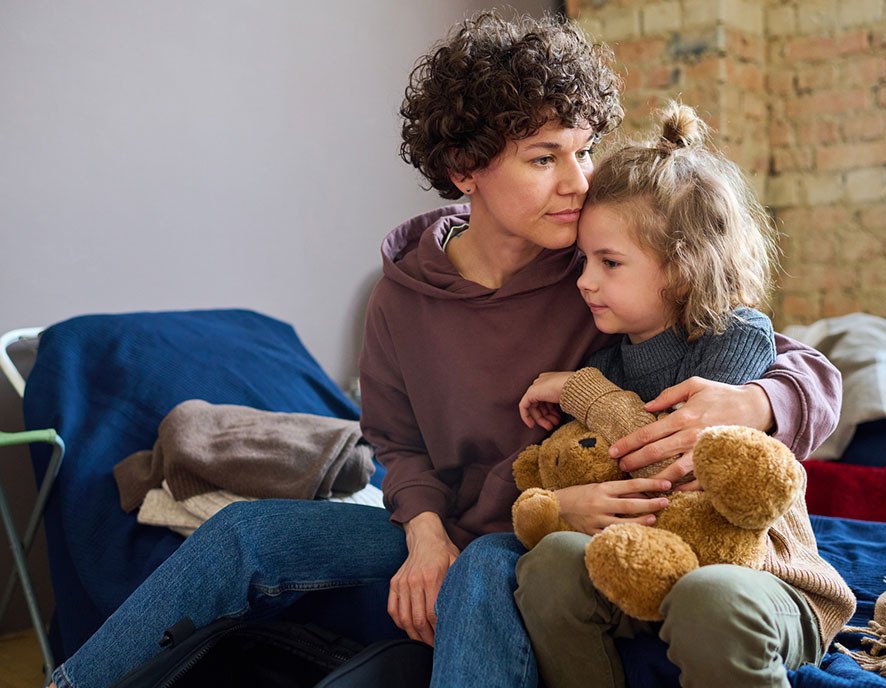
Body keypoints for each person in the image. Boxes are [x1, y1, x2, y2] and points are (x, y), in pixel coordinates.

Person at [48, 12, 843, 688]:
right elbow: (394, 442)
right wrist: (423, 532)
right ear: (466, 171)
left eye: (585, 149)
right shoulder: (403, 295)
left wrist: (759, 401)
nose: (579, 181)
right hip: (449, 518)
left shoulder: (602, 265)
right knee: (246, 533)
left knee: (484, 575)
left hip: (531, 530)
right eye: (544, 158)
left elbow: (780, 351)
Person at [513, 102, 856, 688]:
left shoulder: (734, 336)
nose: (585, 281)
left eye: (610, 262)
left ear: (680, 269)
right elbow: (592, 464)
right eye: (584, 260)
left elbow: (675, 462)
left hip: (757, 576)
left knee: (709, 595)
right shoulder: (605, 359)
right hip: (643, 570)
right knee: (548, 563)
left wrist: (582, 393)